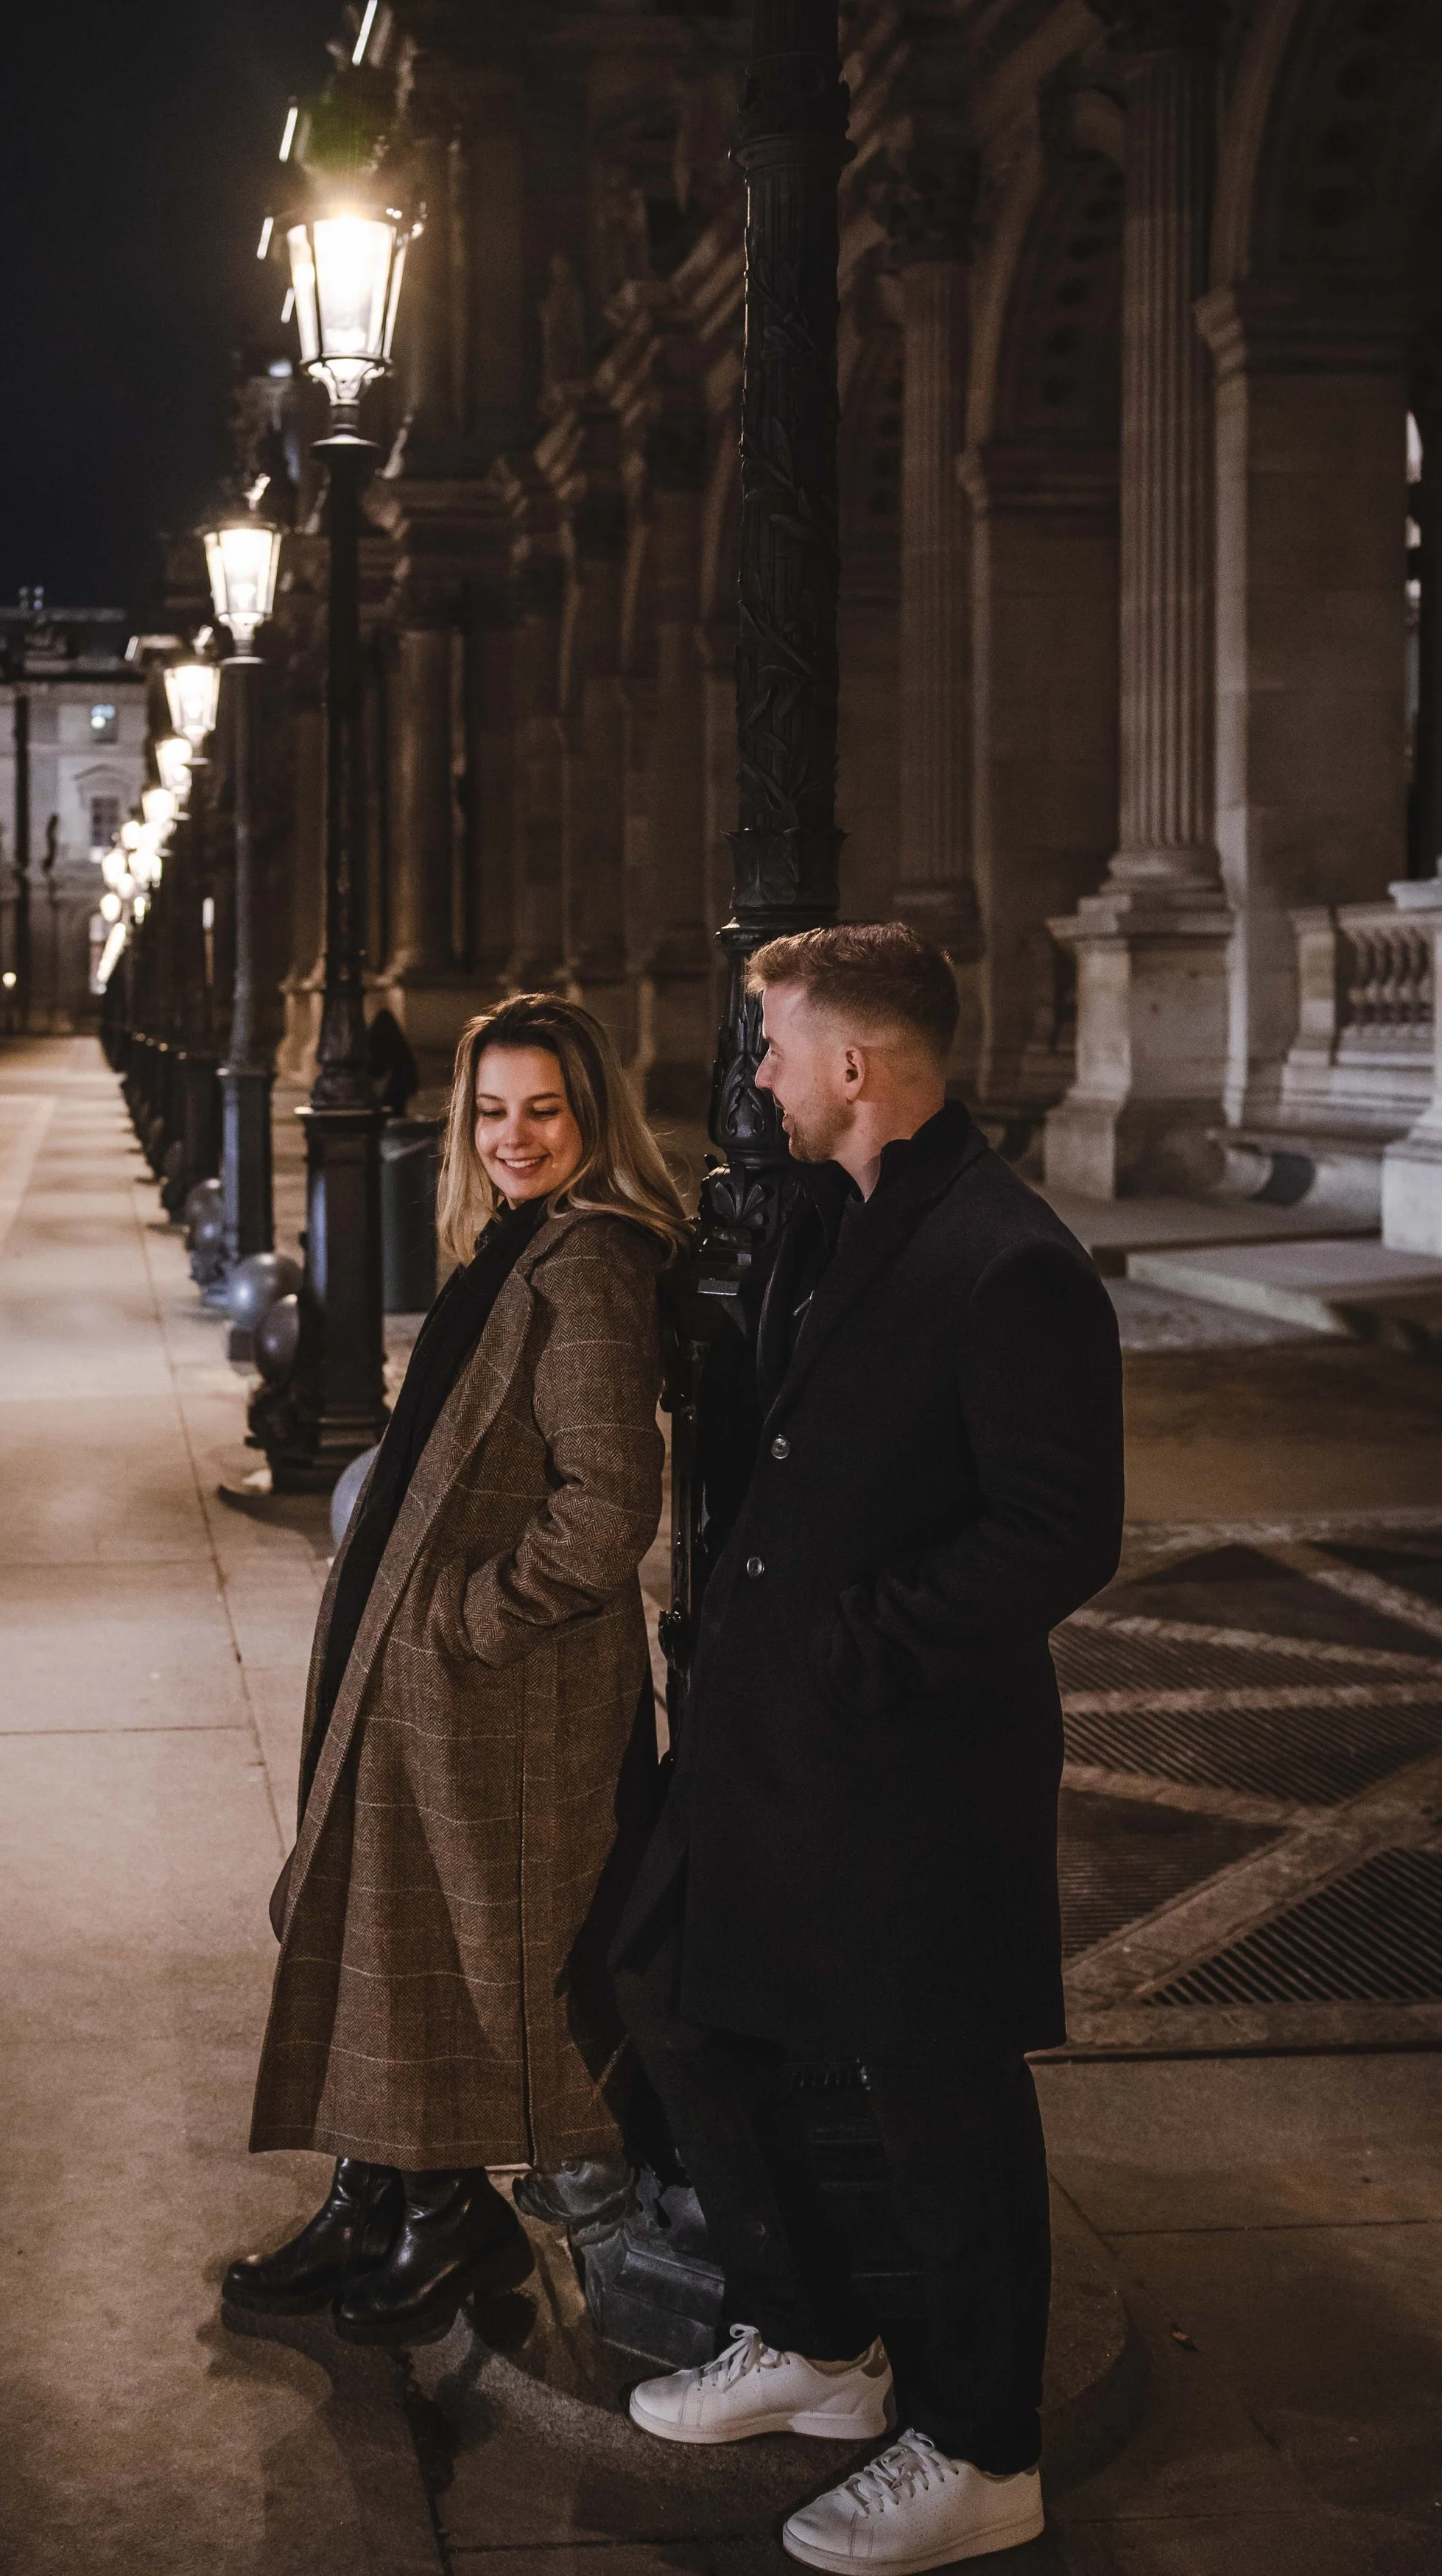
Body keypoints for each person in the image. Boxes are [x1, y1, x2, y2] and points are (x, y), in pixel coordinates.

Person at [613, 923, 1123, 2575]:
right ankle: (817, 2348)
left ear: (851, 1064)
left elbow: (1056, 1534)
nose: (751, 1079)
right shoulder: (823, 1218)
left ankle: (983, 2451)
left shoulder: (1004, 1255)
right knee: (674, 1994)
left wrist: (858, 1643)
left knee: (937, 2093)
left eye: (770, 1047)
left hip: (904, 1756)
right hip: (766, 1734)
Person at [228, 993, 689, 2348]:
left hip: (507, 1693)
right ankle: (379, 2194)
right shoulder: (513, 1240)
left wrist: (464, 1623)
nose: (514, 1134)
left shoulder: (592, 1261)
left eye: (543, 1108)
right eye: (491, 1109)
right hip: (428, 1675)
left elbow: (607, 1510)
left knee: (471, 1963)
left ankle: (444, 2214)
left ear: (592, 1112)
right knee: (389, 1944)